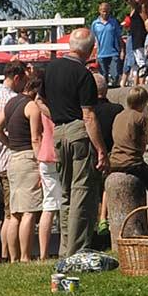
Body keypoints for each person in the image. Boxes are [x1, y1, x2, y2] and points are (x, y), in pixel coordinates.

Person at [37, 29, 110, 255]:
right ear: (90, 50)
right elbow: (88, 115)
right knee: (81, 190)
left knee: (67, 192)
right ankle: (78, 249)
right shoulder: (83, 74)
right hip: (78, 131)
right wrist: (101, 150)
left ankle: (65, 246)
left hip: (58, 133)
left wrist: (57, 115)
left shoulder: (51, 68)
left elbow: (38, 100)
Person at [0, 63, 50, 262]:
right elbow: (36, 138)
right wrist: (41, 163)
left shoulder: (10, 103)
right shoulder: (32, 106)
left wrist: (10, 144)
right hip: (28, 158)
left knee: (14, 213)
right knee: (29, 211)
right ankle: (26, 256)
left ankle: (12, 257)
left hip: (13, 159)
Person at [104, 85, 148, 230]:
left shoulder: (118, 116)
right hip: (132, 162)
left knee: (105, 186)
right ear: (143, 102)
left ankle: (103, 218)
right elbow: (142, 143)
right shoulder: (141, 117)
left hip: (114, 161)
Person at [91, 1, 123, 86]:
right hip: (101, 53)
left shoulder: (114, 22)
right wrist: (94, 53)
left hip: (113, 52)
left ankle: (116, 91)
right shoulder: (95, 24)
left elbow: (119, 37)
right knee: (103, 76)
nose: (105, 13)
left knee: (115, 74)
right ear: (99, 11)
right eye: (103, 11)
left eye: (107, 11)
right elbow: (93, 39)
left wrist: (122, 50)